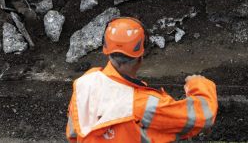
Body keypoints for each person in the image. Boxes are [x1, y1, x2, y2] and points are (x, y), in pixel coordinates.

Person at [66, 17, 218, 142]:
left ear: (106, 50)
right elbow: (204, 116)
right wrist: (198, 83)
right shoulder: (143, 104)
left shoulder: (85, 82)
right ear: (140, 57)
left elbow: (73, 133)